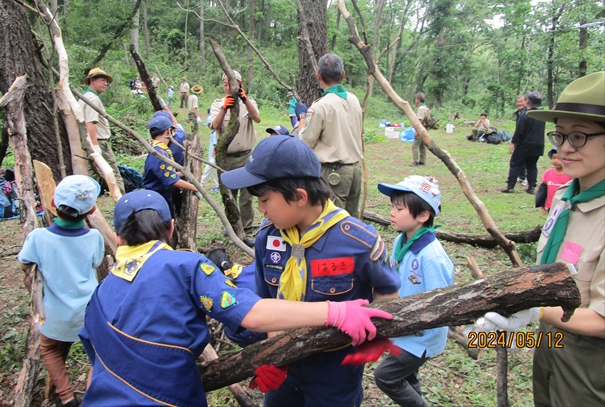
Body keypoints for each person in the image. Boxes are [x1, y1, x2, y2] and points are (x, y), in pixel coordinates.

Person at [79, 189, 393, 406]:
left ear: (118, 238)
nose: (262, 209)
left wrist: (275, 353)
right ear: (171, 228)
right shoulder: (187, 267)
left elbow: (96, 371)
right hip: (168, 399)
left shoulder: (97, 296)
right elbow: (251, 313)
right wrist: (336, 313)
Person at [221, 135, 402, 407]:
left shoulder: (358, 241)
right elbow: (267, 303)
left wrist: (379, 334)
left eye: (266, 200)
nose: (261, 209)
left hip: (335, 369)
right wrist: (271, 357)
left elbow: (387, 290)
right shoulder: (267, 239)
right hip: (285, 365)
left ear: (299, 197)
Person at [474, 71, 605, 407]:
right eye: (559, 135)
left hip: (592, 361)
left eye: (578, 136)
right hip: (553, 342)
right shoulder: (564, 198)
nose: (563, 148)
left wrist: (532, 310)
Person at [17, 175, 105, 407]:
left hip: (55, 315)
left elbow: (25, 263)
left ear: (53, 203)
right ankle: (93, 393)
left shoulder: (38, 238)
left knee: (49, 348)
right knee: (98, 356)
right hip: (90, 312)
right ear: (92, 209)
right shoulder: (94, 237)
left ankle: (66, 396)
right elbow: (96, 263)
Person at [374, 175, 454, 407]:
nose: (392, 213)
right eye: (392, 207)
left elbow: (441, 304)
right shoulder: (401, 241)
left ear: (422, 216)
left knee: (386, 377)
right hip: (405, 328)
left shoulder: (431, 257)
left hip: (421, 335)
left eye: (399, 208)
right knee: (406, 376)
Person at [299, 53, 364, 216]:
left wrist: (302, 121)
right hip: (355, 169)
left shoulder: (320, 106)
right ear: (343, 74)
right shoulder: (354, 100)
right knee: (351, 219)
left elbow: (306, 142)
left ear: (318, 75)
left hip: (335, 172)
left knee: (332, 219)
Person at [210, 69, 261, 246]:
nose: (227, 87)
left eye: (231, 83)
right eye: (224, 83)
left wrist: (244, 99)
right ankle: (232, 227)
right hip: (226, 157)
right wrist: (224, 109)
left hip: (246, 156)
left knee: (247, 195)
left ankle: (246, 228)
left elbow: (257, 118)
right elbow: (214, 126)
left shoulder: (249, 102)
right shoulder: (218, 104)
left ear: (240, 85)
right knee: (229, 193)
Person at [142, 115, 198, 219]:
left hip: (159, 196)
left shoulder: (158, 149)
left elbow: (166, 174)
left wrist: (183, 173)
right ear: (168, 131)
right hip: (157, 199)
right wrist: (196, 188)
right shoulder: (159, 154)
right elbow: (172, 180)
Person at [81, 68, 126, 194]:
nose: (105, 83)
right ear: (92, 80)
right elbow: (90, 123)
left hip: (89, 142)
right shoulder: (93, 99)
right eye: (102, 80)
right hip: (98, 142)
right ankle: (124, 202)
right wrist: (95, 146)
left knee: (91, 174)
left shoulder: (85, 96)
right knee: (113, 173)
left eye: (106, 81)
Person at [501, 91, 546, 194]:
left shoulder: (525, 115)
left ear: (527, 101)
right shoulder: (541, 115)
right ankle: (531, 187)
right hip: (538, 145)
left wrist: (513, 143)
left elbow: (519, 131)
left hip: (525, 145)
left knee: (515, 163)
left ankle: (510, 186)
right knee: (532, 165)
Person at [538, 148, 571, 214]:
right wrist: (541, 204)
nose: (555, 161)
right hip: (551, 206)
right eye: (554, 158)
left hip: (565, 207)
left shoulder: (570, 174)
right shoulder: (548, 173)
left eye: (559, 158)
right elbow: (543, 189)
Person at [200, 116, 220, 193]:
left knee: (207, 170)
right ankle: (218, 185)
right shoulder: (213, 132)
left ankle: (201, 184)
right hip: (213, 157)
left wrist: (212, 157)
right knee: (215, 171)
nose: (208, 126)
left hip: (214, 157)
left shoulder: (216, 133)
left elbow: (215, 146)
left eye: (209, 124)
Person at [410, 92, 430, 167]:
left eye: (416, 98)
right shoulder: (426, 107)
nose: (415, 100)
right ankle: (422, 161)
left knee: (414, 145)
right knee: (422, 145)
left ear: (418, 99)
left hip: (421, 129)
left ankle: (416, 161)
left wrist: (417, 131)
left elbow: (420, 120)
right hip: (425, 129)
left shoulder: (421, 108)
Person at [514, 94, 528, 185]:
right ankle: (521, 176)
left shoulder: (528, 113)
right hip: (520, 139)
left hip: (527, 140)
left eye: (521, 101)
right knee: (520, 160)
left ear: (526, 101)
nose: (519, 104)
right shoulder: (518, 113)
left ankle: (527, 178)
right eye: (518, 102)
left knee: (527, 160)